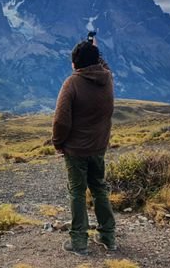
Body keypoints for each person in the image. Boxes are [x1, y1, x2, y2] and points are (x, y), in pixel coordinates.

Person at [52, 39, 116, 256]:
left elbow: (61, 121)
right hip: (99, 146)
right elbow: (103, 65)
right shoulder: (107, 78)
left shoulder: (72, 83)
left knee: (77, 192)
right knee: (99, 188)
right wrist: (95, 49)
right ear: (97, 61)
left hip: (76, 150)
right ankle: (108, 236)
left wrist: (58, 143)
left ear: (74, 63)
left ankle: (79, 241)